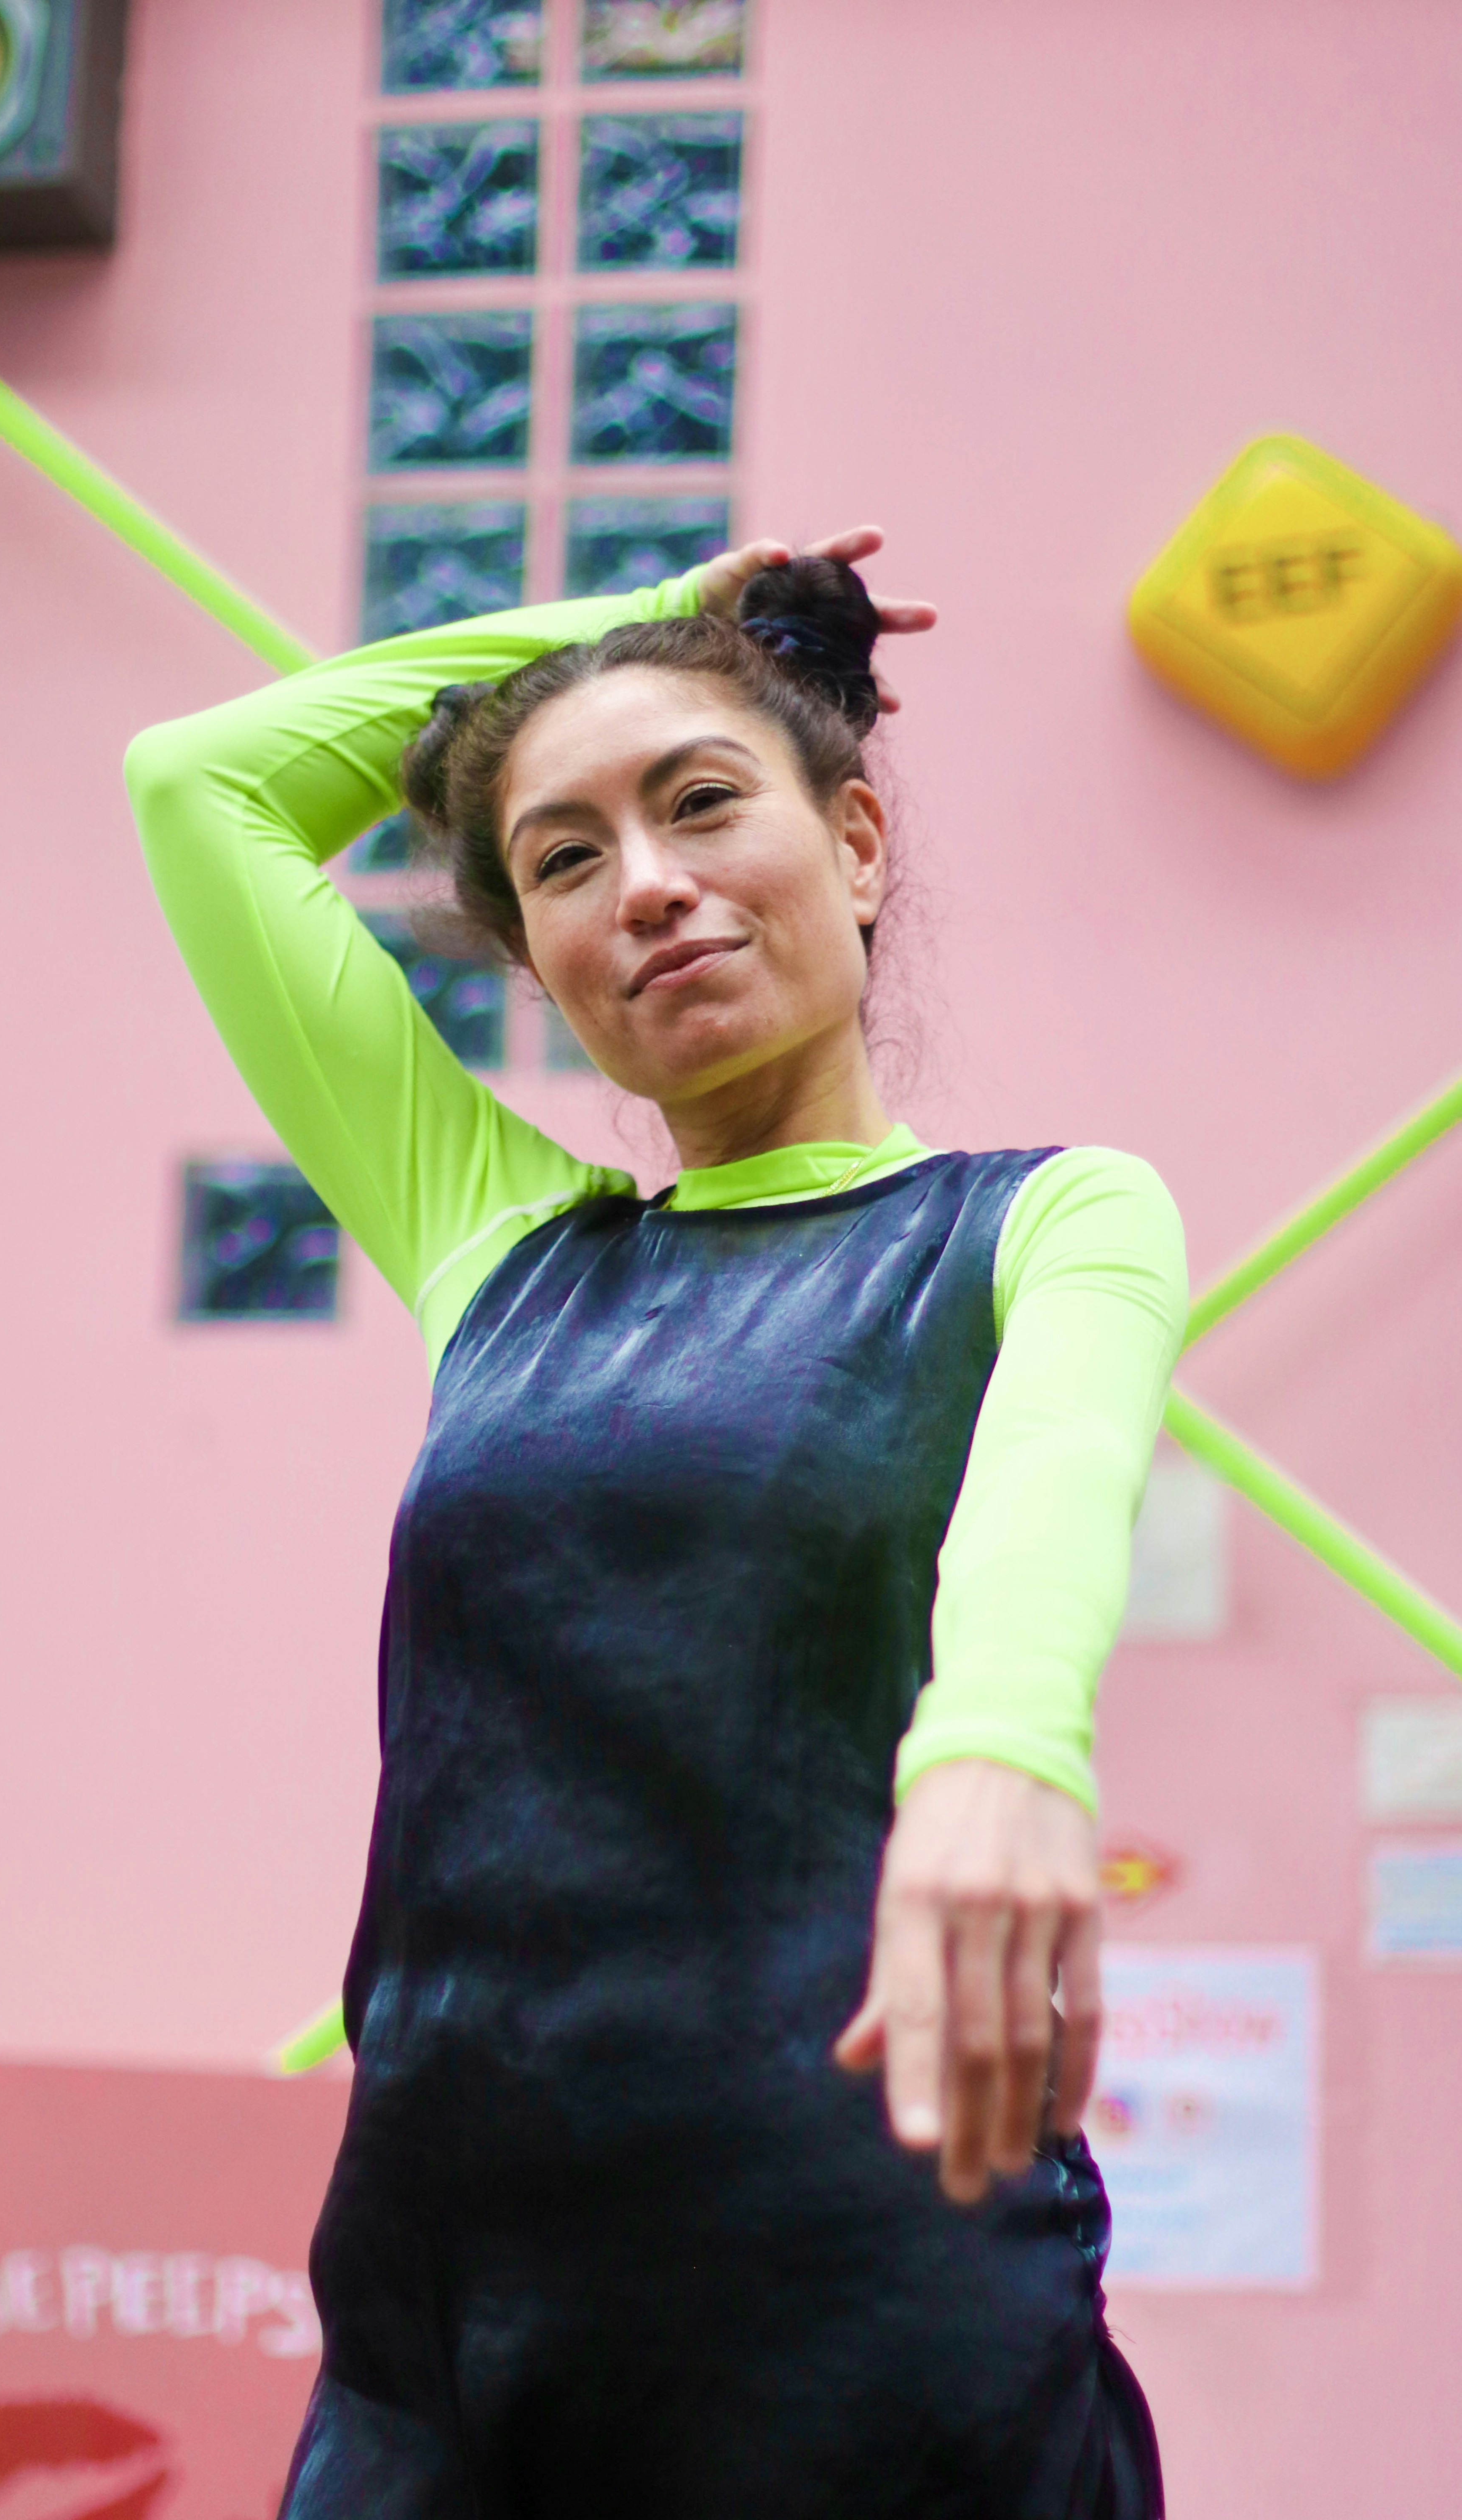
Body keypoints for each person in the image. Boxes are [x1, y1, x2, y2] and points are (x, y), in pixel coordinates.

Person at [124, 524, 1186, 2519]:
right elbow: (205, 783)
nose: (652, 884)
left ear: (856, 846)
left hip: (870, 2301)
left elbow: (1047, 1509)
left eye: (705, 800)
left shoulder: (1044, 1219)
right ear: (536, 960)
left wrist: (999, 1756)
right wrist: (654, 628)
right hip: (440, 2332)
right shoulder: (493, 1249)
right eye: (567, 858)